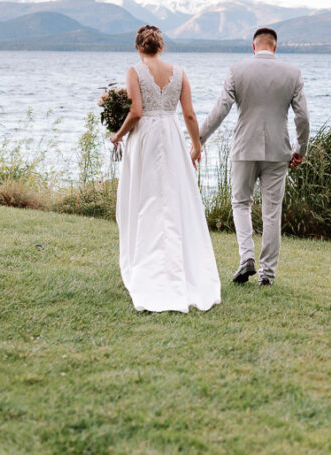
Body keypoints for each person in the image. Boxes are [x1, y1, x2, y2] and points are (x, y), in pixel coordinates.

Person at [110, 25, 221, 313]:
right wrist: (196, 145)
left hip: (145, 139)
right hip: (171, 138)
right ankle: (178, 267)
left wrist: (118, 135)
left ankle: (149, 269)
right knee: (172, 199)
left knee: (146, 198)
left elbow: (136, 112)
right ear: (162, 47)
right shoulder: (180, 73)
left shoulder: (134, 71)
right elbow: (189, 115)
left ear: (138, 47)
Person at [199, 27, 310, 287]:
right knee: (272, 212)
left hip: (244, 148)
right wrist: (301, 149)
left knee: (240, 203)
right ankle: (267, 274)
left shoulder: (237, 71)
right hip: (278, 151)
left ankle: (246, 258)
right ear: (275, 46)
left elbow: (220, 110)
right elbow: (303, 117)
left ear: (253, 46)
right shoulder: (292, 73)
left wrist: (199, 138)